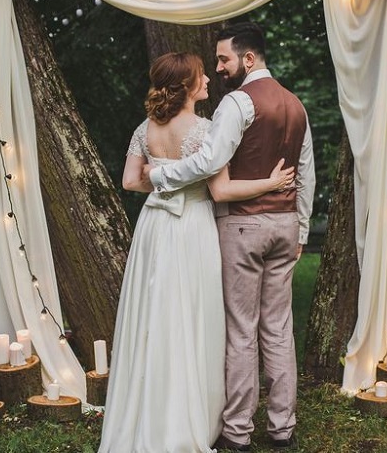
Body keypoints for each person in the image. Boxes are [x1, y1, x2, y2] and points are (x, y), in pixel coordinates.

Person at [97, 51, 295, 453]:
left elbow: (130, 181)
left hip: (154, 226)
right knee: (192, 316)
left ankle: (144, 412)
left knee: (153, 316)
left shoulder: (145, 127)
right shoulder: (206, 130)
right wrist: (269, 184)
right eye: (202, 76)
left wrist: (161, 181)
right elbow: (221, 191)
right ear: (187, 86)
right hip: (192, 227)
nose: (208, 80)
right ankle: (188, 418)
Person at [147, 23, 316, 452]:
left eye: (224, 59)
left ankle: (238, 432)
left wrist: (161, 174)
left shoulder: (238, 102)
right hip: (284, 226)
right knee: (278, 329)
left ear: (249, 59)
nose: (219, 67)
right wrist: (301, 228)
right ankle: (283, 428)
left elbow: (210, 161)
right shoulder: (296, 104)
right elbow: (307, 174)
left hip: (242, 225)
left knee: (241, 331)